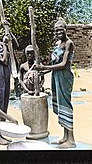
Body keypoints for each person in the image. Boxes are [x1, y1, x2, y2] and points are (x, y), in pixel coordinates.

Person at [36, 19, 76, 148]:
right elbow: (54, 65)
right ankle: (65, 137)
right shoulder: (57, 43)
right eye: (56, 30)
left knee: (66, 105)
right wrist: (44, 71)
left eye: (60, 29)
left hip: (64, 77)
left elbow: (63, 65)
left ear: (66, 29)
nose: (58, 31)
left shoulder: (69, 44)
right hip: (56, 77)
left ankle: (71, 140)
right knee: (60, 105)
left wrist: (44, 67)